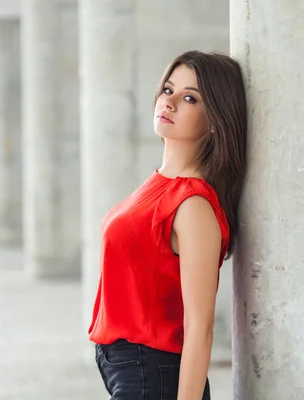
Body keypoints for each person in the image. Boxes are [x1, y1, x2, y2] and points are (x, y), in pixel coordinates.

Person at [88, 50, 248, 400]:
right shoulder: (159, 184)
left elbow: (199, 328)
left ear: (214, 121)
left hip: (153, 374)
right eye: (168, 89)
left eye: (190, 97)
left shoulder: (192, 204)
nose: (170, 102)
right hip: (130, 369)